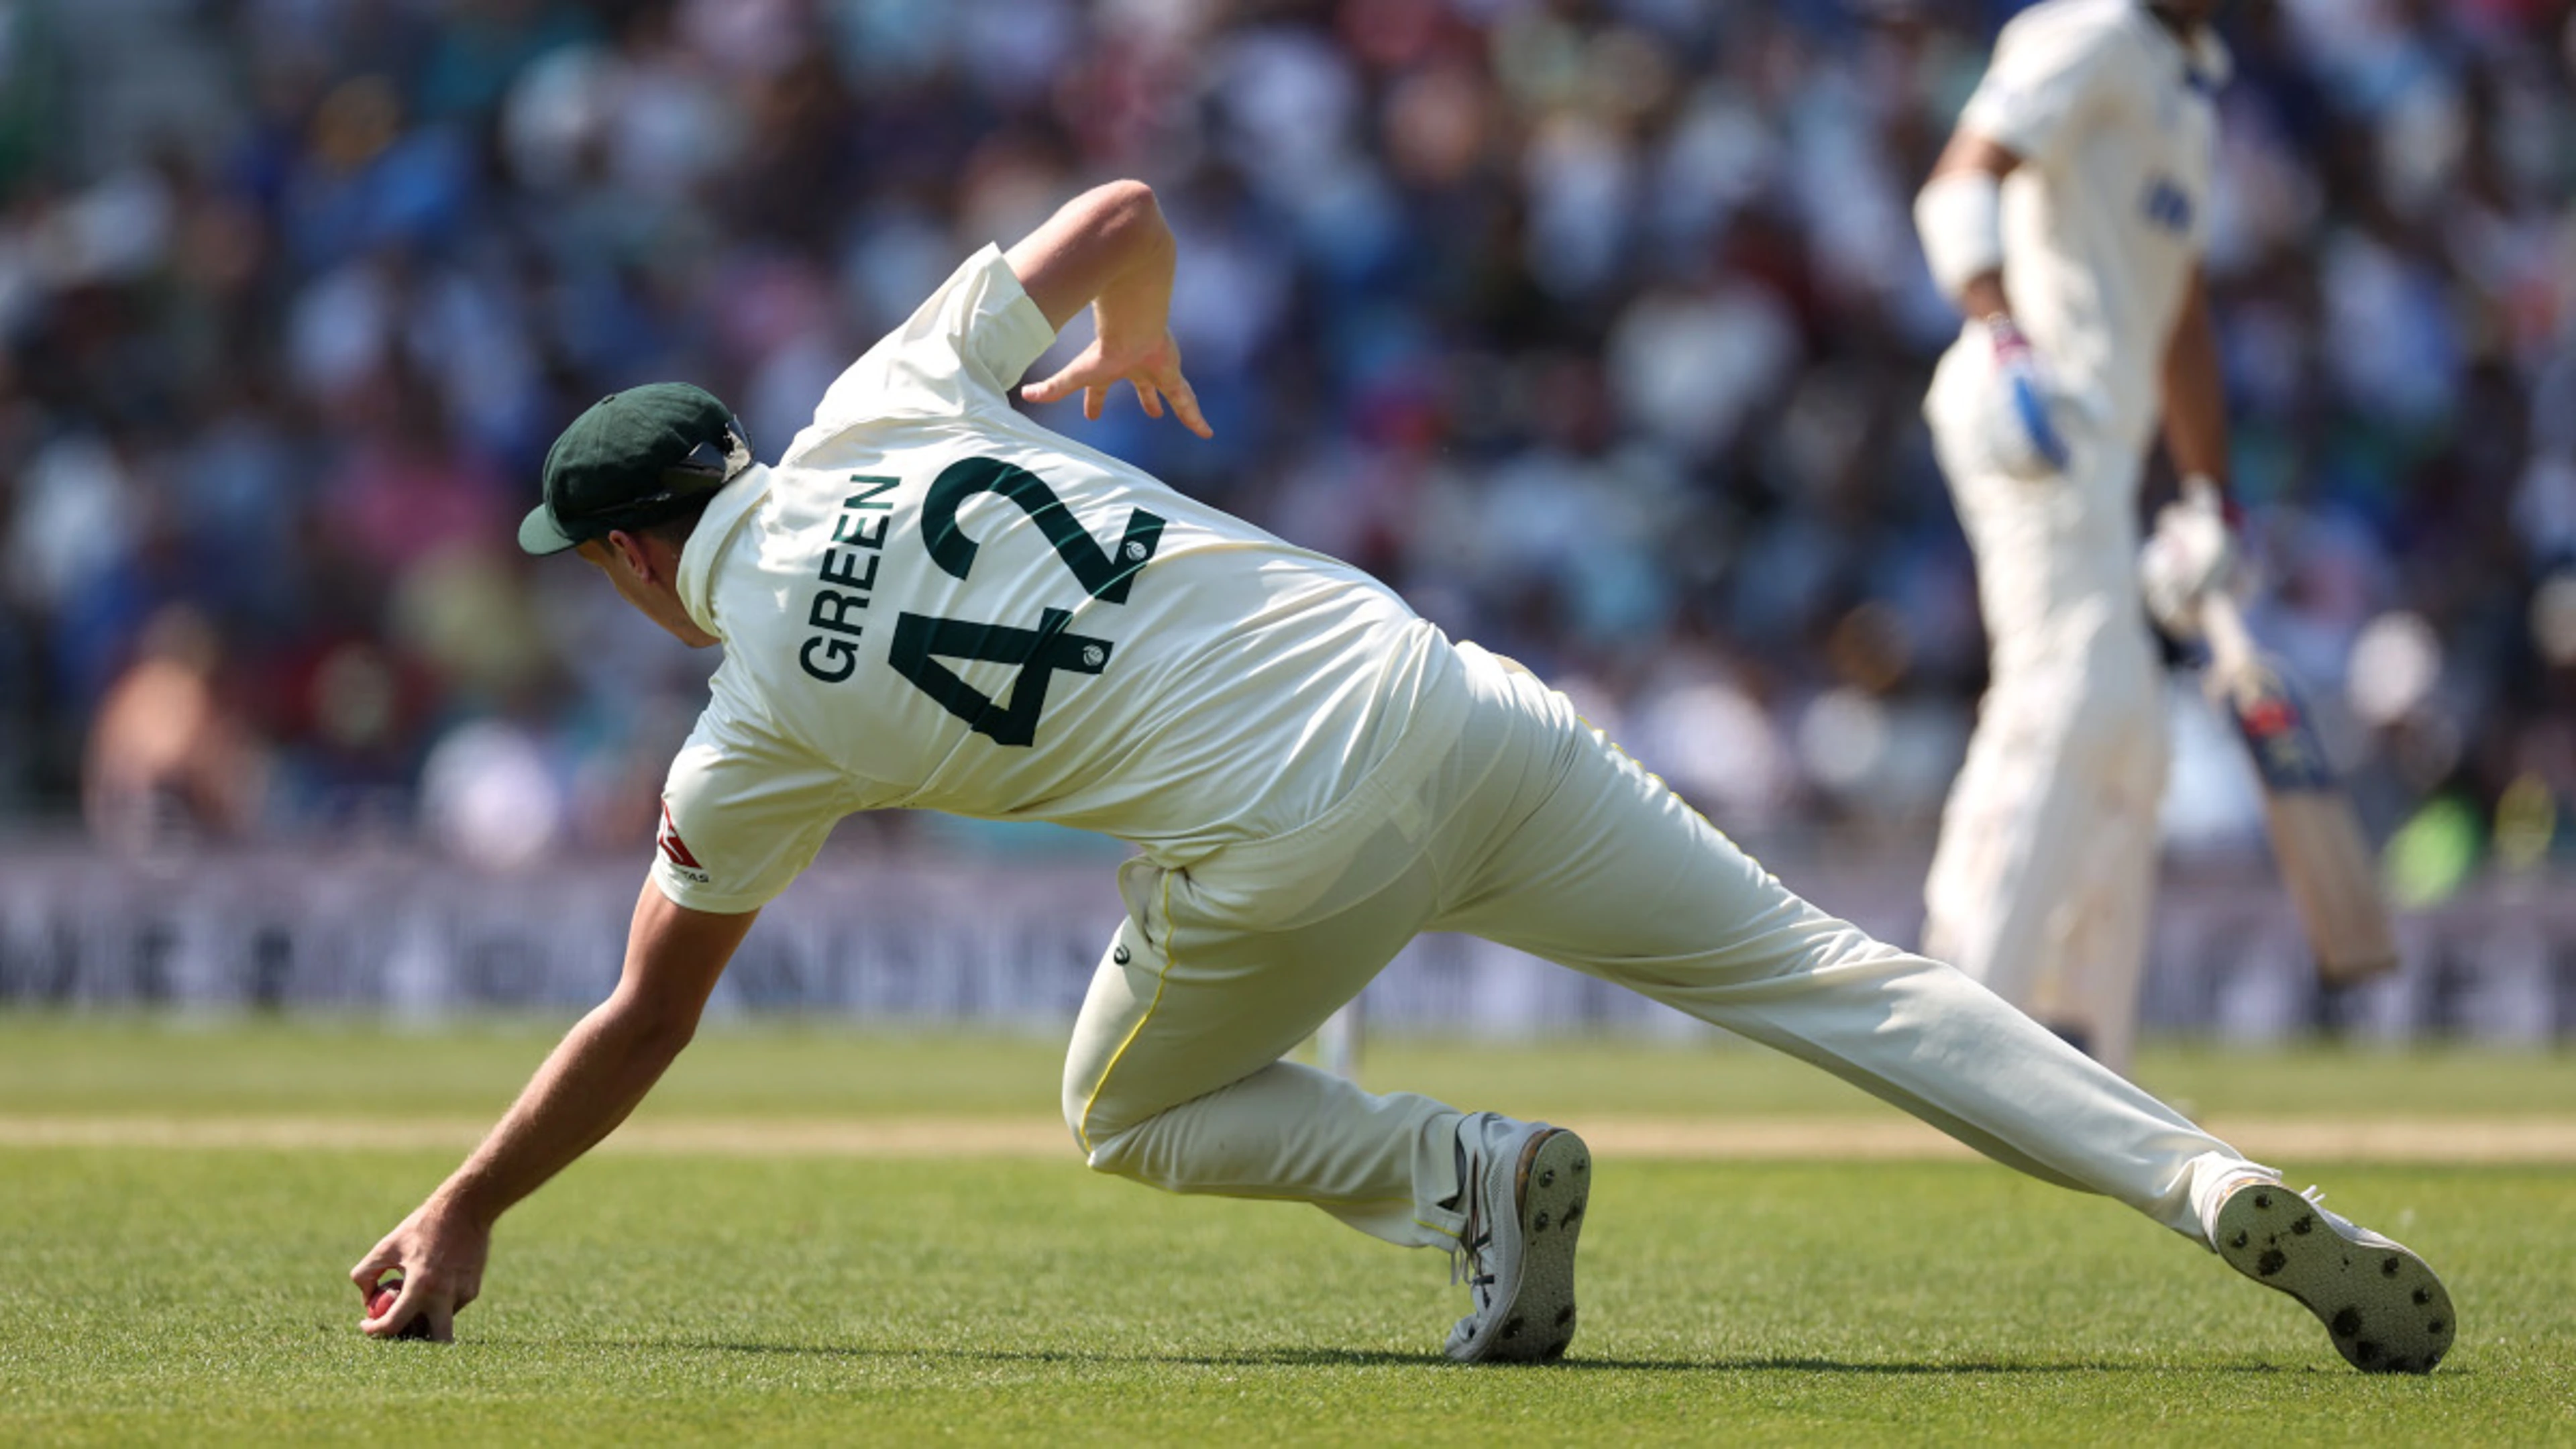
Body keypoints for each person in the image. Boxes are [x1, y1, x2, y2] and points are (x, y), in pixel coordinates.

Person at [351, 180, 2451, 1373]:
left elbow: (646, 1014)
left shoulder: (749, 727)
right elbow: (1122, 208)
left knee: (1124, 1105)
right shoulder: (877, 404)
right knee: (1840, 976)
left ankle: (1456, 1174)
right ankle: (2204, 1181)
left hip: (1283, 843)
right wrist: (1141, 331)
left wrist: (465, 1202)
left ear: (636, 555)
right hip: (1450, 693)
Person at [1912, 0, 2246, 1075]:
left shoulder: (2189, 81)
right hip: (2030, 405)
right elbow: (1960, 179)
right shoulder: (2092, 30)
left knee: (2132, 734)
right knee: (2076, 686)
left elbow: (2179, 312)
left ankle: (2076, 1040)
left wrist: (2209, 497)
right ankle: (1961, 1014)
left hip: (2102, 445)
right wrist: (2000, 330)